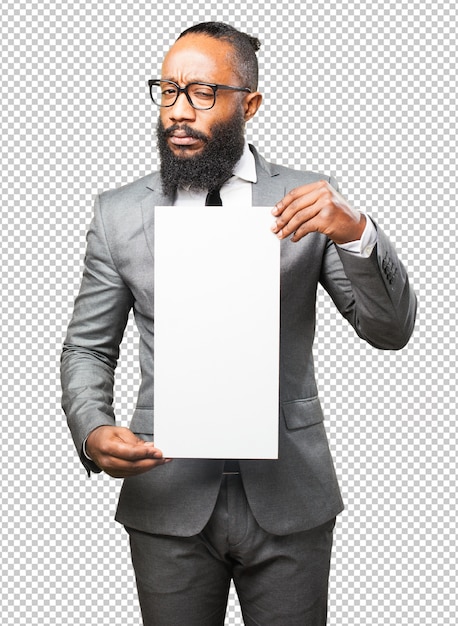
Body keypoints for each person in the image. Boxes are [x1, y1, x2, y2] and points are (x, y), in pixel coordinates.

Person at [61, 21, 416, 626]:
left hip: (290, 496)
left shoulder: (310, 198)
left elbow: (389, 330)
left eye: (202, 93)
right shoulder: (118, 214)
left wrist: (356, 233)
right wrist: (92, 429)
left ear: (248, 104)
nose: (178, 111)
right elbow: (88, 349)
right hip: (165, 494)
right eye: (169, 90)